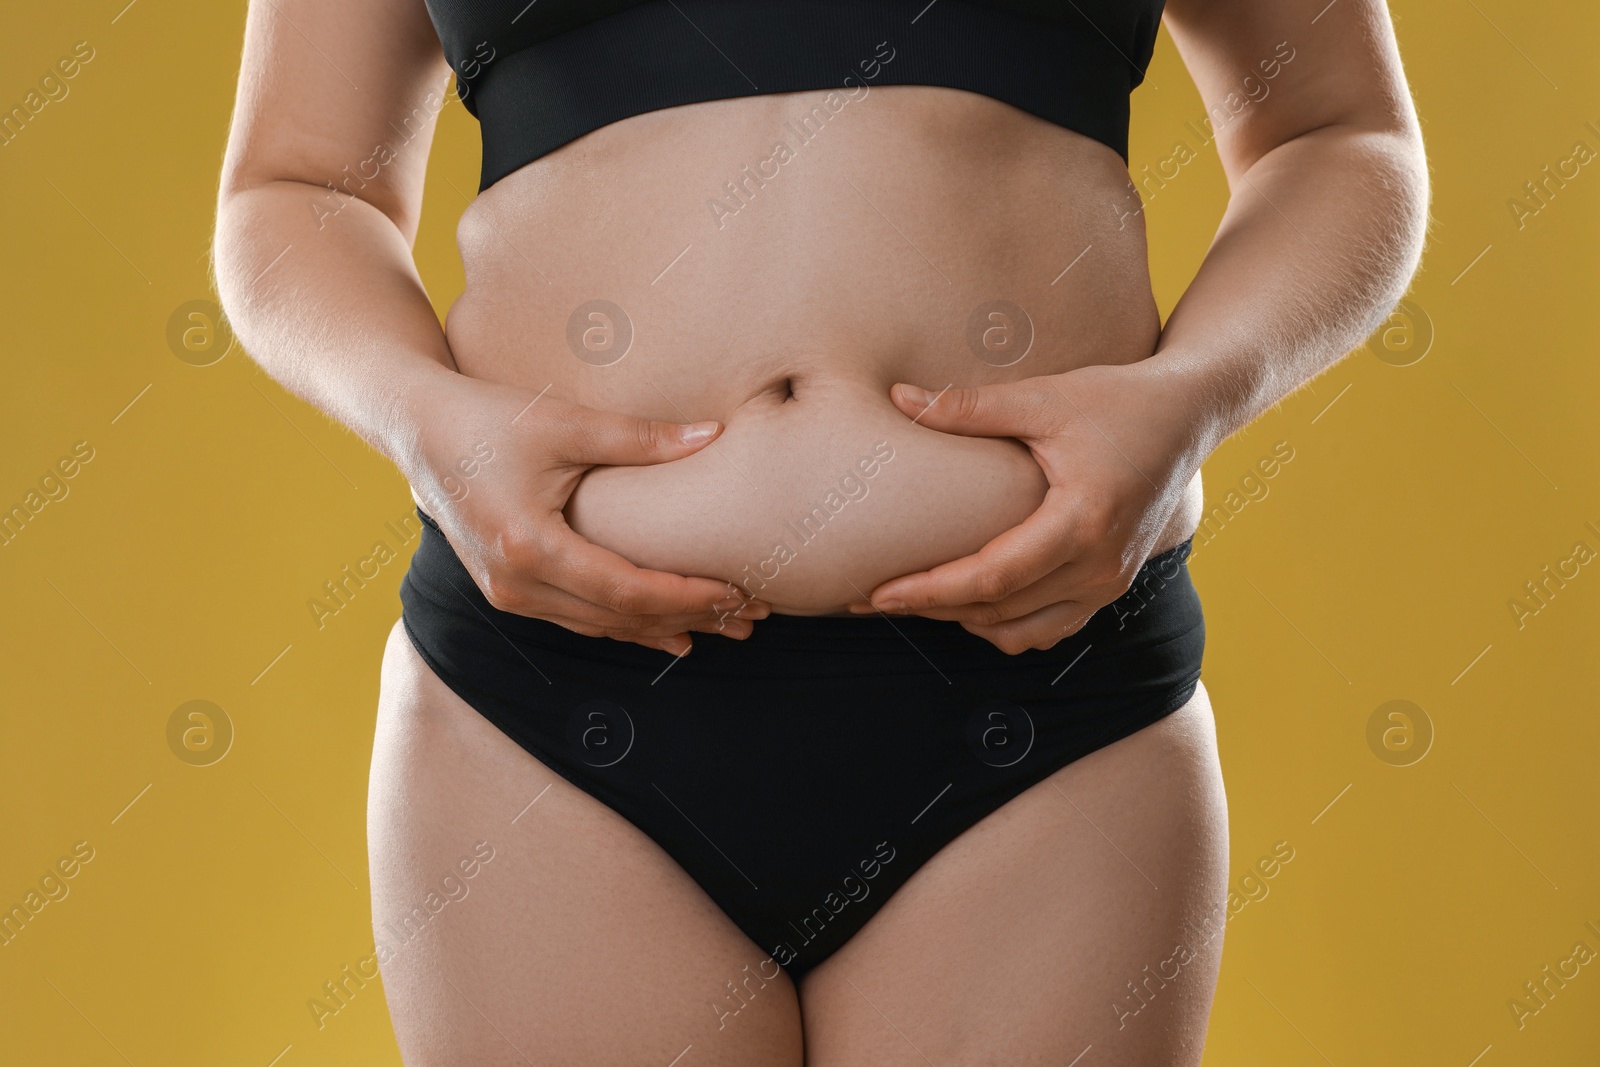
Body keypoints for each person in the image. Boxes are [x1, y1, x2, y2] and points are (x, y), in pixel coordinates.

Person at [212, 0, 1427, 1062]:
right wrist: (429, 425)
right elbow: (299, 184)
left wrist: (1196, 393)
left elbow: (1336, 132)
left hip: (1045, 702)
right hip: (546, 709)